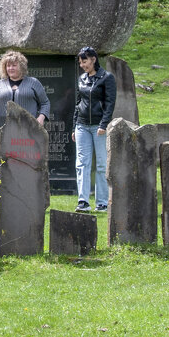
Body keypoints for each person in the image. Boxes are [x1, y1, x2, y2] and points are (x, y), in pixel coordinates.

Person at [71, 46, 116, 212]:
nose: (83, 65)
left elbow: (110, 103)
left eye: (85, 61)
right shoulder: (81, 78)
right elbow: (77, 103)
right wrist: (74, 126)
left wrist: (104, 124)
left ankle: (102, 202)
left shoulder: (107, 78)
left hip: (99, 125)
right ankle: (83, 201)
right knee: (82, 163)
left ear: (93, 59)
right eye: (81, 62)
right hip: (82, 125)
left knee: (102, 164)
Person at [0, 50, 50, 126]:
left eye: (14, 65)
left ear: (21, 66)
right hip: (4, 132)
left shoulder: (33, 82)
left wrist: (41, 117)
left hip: (28, 130)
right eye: (8, 66)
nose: (11, 68)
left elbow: (45, 103)